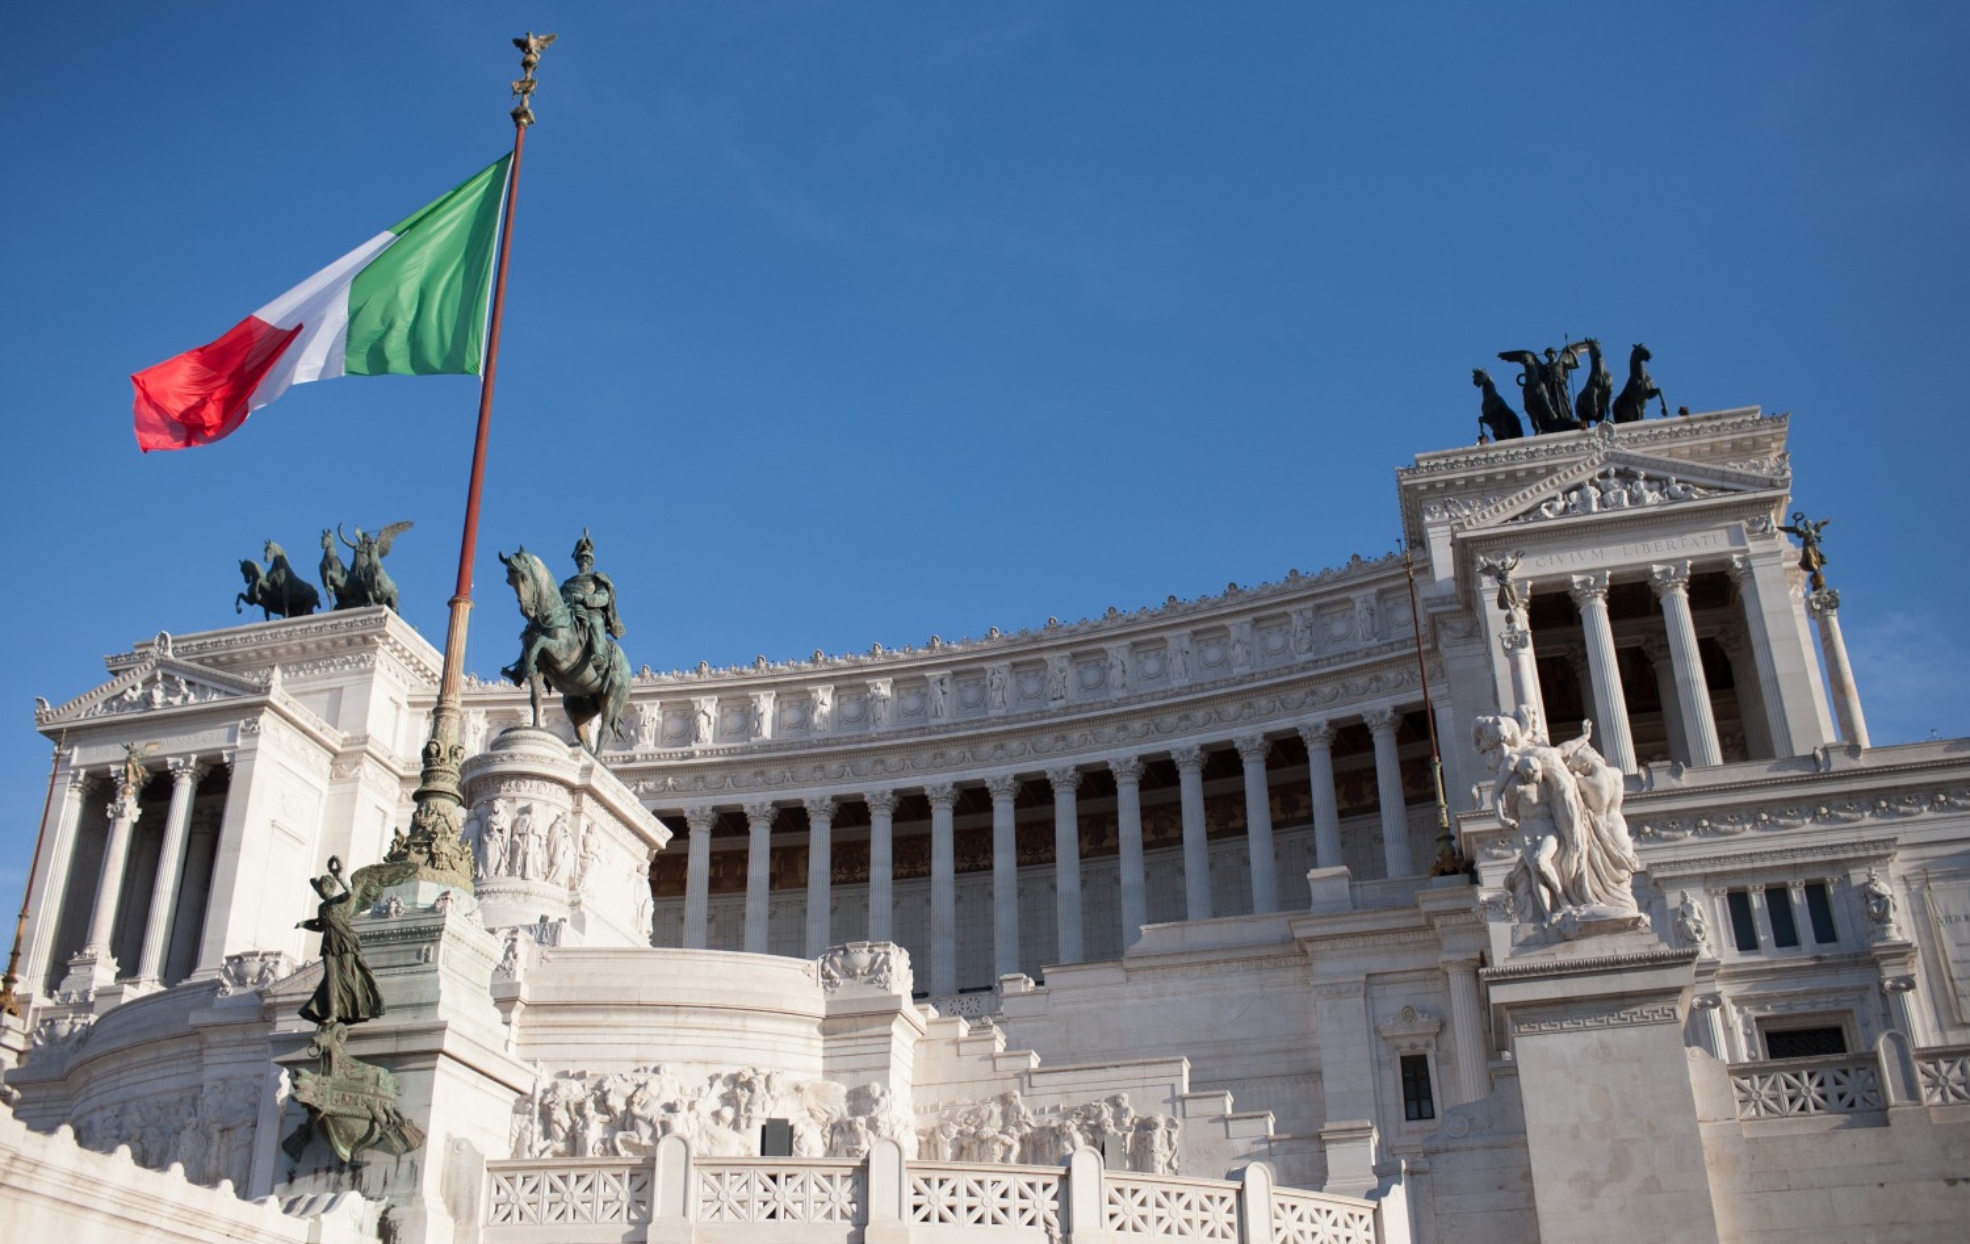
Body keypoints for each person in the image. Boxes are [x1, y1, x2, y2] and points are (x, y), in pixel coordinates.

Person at [296, 857, 385, 1026]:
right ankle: (332, 1013)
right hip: (328, 944)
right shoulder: (322, 907)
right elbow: (321, 926)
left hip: (345, 942)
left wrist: (338, 876)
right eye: (318, 889)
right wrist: (305, 924)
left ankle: (356, 1007)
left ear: (329, 886)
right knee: (331, 978)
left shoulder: (339, 901)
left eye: (322, 887)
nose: (320, 891)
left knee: (347, 975)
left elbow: (352, 893)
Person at [560, 530, 626, 680]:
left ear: (591, 563)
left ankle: (599, 656)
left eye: (587, 559)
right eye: (581, 559)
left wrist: (584, 599)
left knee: (595, 622)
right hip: (570, 614)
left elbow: (603, 597)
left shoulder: (598, 579)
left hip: (591, 613)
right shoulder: (567, 584)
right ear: (577, 562)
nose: (584, 562)